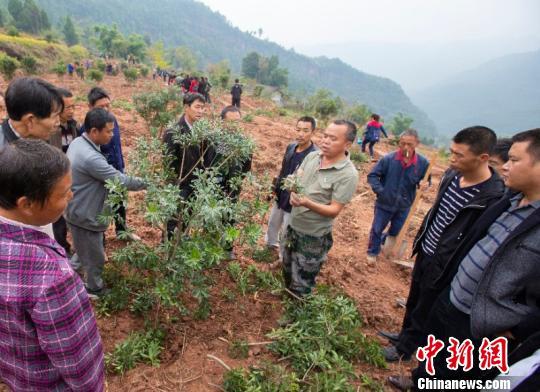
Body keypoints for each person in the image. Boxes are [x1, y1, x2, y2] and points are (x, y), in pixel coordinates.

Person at [396, 129, 540, 389]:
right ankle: (420, 382)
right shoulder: (509, 202)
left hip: (481, 324)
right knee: (434, 352)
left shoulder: (495, 195)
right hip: (452, 296)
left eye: (515, 160)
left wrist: (517, 331)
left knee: (457, 375)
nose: (505, 167)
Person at [379, 126, 504, 364]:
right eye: (451, 152)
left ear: (483, 158)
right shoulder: (453, 174)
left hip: (446, 263)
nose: (452, 159)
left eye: (459, 155)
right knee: (414, 297)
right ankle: (404, 336)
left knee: (426, 305)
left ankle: (406, 350)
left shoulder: (492, 197)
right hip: (427, 249)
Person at [0, 139, 104, 391]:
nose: (71, 195)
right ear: (27, 204)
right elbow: (79, 362)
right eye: (63, 192)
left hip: (17, 377)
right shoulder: (52, 276)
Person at [65, 108, 146, 298]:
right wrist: (148, 183)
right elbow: (120, 180)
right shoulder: (90, 157)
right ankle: (94, 289)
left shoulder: (79, 142)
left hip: (78, 210)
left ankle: (65, 278)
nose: (112, 135)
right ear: (94, 131)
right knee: (95, 257)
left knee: (82, 251)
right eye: (108, 131)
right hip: (85, 216)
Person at [283, 120, 359, 296]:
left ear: (347, 144)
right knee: (287, 266)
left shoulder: (347, 174)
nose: (325, 141)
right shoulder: (312, 157)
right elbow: (296, 179)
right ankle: (287, 294)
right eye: (325, 136)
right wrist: (291, 188)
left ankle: (296, 312)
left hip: (313, 237)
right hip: (292, 225)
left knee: (303, 279)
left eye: (333, 138)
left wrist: (306, 203)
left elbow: (334, 210)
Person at [79, 87, 137, 239]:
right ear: (90, 107)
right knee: (99, 209)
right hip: (100, 175)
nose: (105, 109)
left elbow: (116, 144)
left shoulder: (112, 121)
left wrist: (121, 164)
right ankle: (99, 242)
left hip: (117, 169)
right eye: (101, 107)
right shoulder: (86, 129)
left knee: (120, 203)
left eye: (107, 105)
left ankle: (122, 232)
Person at [366, 129, 430, 264]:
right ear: (399, 143)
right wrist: (381, 191)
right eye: (403, 143)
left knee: (395, 231)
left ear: (417, 144)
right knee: (377, 228)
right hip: (385, 202)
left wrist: (424, 185)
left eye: (410, 144)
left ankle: (383, 241)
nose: (406, 147)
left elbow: (426, 180)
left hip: (405, 205)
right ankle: (373, 251)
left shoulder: (423, 163)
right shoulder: (388, 159)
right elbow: (372, 176)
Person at [163, 93, 215, 238]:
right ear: (186, 107)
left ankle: (180, 243)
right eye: (197, 107)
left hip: (196, 184)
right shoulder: (174, 131)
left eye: (203, 108)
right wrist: (175, 185)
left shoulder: (203, 131)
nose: (201, 111)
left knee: (186, 219)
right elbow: (169, 162)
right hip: (180, 185)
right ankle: (169, 250)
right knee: (174, 221)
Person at [264, 116, 318, 255]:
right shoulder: (291, 147)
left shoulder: (314, 155)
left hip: (295, 199)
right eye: (298, 129)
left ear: (313, 132)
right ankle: (270, 245)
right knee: (273, 222)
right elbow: (282, 171)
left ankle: (283, 257)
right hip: (282, 193)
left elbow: (311, 181)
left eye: (305, 130)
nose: (300, 134)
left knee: (288, 229)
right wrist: (274, 190)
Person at [49, 88, 80, 255]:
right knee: (58, 220)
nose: (71, 111)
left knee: (73, 215)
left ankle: (74, 247)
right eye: (67, 107)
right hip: (56, 180)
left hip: (73, 178)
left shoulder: (75, 126)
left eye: (73, 107)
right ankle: (62, 250)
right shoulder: (50, 130)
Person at [219, 105, 252, 258]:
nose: (234, 126)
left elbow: (246, 168)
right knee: (210, 216)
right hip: (214, 187)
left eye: (237, 122)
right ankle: (209, 243)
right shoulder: (214, 140)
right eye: (231, 122)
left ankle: (227, 248)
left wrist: (235, 183)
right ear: (222, 122)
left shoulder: (245, 144)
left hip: (232, 188)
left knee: (229, 217)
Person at [1, 77, 63, 148]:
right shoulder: (3, 151)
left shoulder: (43, 140)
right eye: (55, 116)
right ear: (30, 120)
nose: (58, 122)